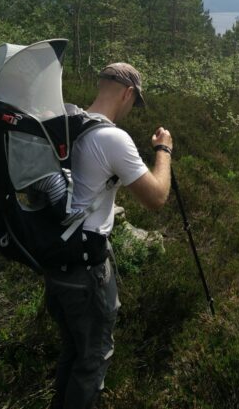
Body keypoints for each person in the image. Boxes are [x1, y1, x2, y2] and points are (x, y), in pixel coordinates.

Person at [44, 62, 173, 409]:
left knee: (74, 350)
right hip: (86, 268)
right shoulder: (112, 138)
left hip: (56, 261)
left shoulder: (68, 124)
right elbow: (157, 197)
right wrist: (164, 151)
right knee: (94, 358)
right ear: (128, 94)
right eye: (134, 102)